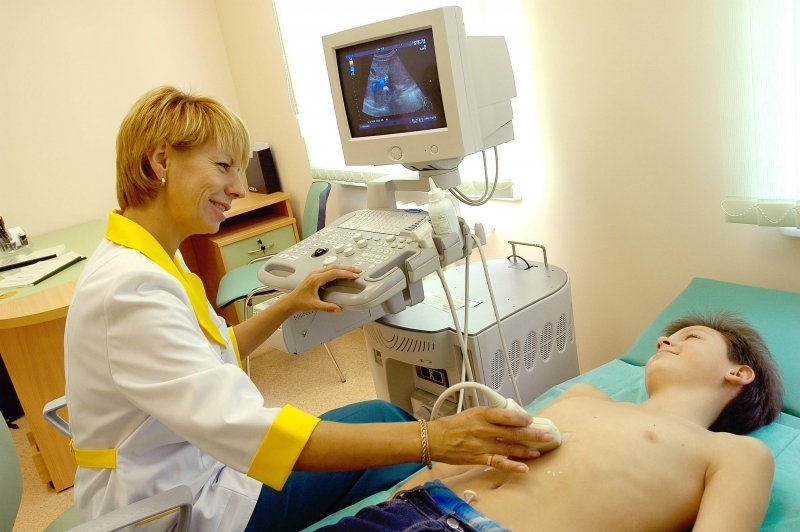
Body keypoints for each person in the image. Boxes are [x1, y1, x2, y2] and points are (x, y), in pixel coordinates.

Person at [63, 86, 553, 531]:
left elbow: (212, 352)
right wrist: (435, 437)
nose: (238, 187)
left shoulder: (153, 258)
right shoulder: (132, 290)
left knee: (383, 413)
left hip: (198, 461)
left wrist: (287, 306)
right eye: (224, 166)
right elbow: (253, 433)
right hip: (178, 505)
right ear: (160, 161)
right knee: (403, 449)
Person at [323, 311, 785, 531]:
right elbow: (461, 457)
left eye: (691, 337)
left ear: (738, 373)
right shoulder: (585, 396)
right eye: (666, 336)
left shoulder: (736, 453)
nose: (664, 341)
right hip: (398, 513)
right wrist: (396, 496)